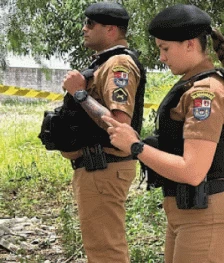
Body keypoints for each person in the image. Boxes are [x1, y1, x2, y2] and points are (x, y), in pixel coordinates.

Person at [102, 4, 224, 262]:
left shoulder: (206, 92)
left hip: (205, 218)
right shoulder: (194, 84)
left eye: (165, 48)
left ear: (190, 44)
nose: (161, 57)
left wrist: (136, 147)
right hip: (188, 212)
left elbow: (192, 171)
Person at [57, 2, 146, 262]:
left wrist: (80, 94)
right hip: (97, 168)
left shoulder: (119, 64)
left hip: (104, 167)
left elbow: (119, 125)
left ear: (110, 30)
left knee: (106, 251)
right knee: (100, 248)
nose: (84, 29)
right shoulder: (105, 62)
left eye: (90, 24)